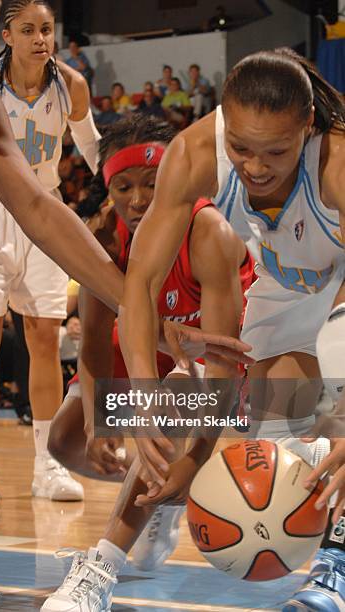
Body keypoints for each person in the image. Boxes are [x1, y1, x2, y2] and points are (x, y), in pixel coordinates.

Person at [0, 0, 252, 504]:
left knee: (44, 338)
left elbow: (46, 202)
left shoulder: (3, 91)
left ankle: (46, 466)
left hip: (31, 210)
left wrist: (142, 311)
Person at [119, 48, 345, 611]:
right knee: (269, 425)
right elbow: (140, 287)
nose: (256, 165)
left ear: (308, 128)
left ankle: (336, 568)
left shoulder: (337, 163)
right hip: (285, 283)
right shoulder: (194, 152)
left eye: (277, 150)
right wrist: (145, 394)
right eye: (240, 147)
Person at [42, 114, 255, 611]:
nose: (137, 200)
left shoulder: (209, 233)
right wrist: (99, 417)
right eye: (123, 187)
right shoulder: (105, 238)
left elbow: (222, 366)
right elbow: (94, 340)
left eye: (151, 185)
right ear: (108, 188)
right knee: (64, 440)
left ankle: (100, 570)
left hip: (219, 355)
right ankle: (155, 493)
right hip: (144, 349)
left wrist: (193, 455)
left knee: (174, 403)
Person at [0, 0, 108, 505]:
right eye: (28, 30)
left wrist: (126, 190)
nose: (40, 38)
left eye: (48, 29)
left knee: (45, 340)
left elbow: (94, 149)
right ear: (6, 36)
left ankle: (48, 466)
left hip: (43, 212)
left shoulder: (71, 85)